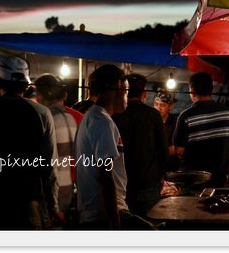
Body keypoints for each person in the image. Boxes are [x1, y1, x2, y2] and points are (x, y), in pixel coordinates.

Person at [0, 57, 61, 230]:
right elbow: (49, 165)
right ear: (26, 85)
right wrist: (53, 206)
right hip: (28, 203)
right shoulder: (42, 113)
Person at [74, 64, 156, 230]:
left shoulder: (92, 117)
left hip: (97, 212)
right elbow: (105, 175)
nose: (127, 96)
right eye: (126, 90)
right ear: (118, 87)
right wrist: (115, 221)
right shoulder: (103, 122)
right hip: (103, 214)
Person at [113, 74, 168, 216]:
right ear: (144, 93)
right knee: (149, 225)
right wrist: (161, 175)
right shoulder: (153, 115)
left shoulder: (115, 115)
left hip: (121, 184)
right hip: (148, 183)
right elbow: (163, 150)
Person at [173, 72, 229, 187]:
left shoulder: (186, 116)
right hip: (219, 179)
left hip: (192, 180)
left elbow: (178, 150)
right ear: (212, 90)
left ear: (192, 90)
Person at [34, 74, 81, 227]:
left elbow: (45, 163)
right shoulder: (70, 117)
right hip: (68, 188)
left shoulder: (47, 119)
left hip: (52, 192)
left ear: (41, 95)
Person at [153, 88, 180, 171]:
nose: (158, 108)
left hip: (171, 167)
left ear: (170, 106)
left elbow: (178, 148)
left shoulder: (176, 123)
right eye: (156, 104)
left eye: (162, 105)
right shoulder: (149, 121)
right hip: (153, 166)